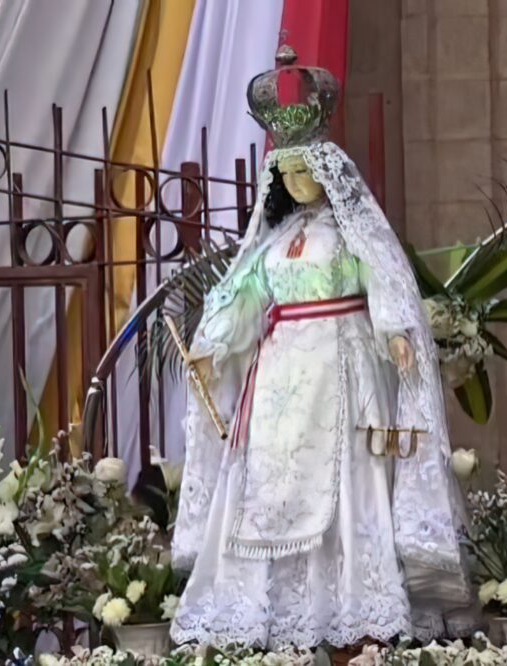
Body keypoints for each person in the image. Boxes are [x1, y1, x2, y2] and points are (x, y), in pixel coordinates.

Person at [169, 47, 477, 650]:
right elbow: (244, 297)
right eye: (284, 174)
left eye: (303, 170)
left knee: (346, 480)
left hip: (340, 365)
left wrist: (395, 333)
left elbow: (383, 280)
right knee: (270, 486)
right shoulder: (272, 242)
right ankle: (273, 615)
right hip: (279, 376)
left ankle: (350, 609)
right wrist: (214, 345)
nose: (294, 182)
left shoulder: (351, 235)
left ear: (328, 171)